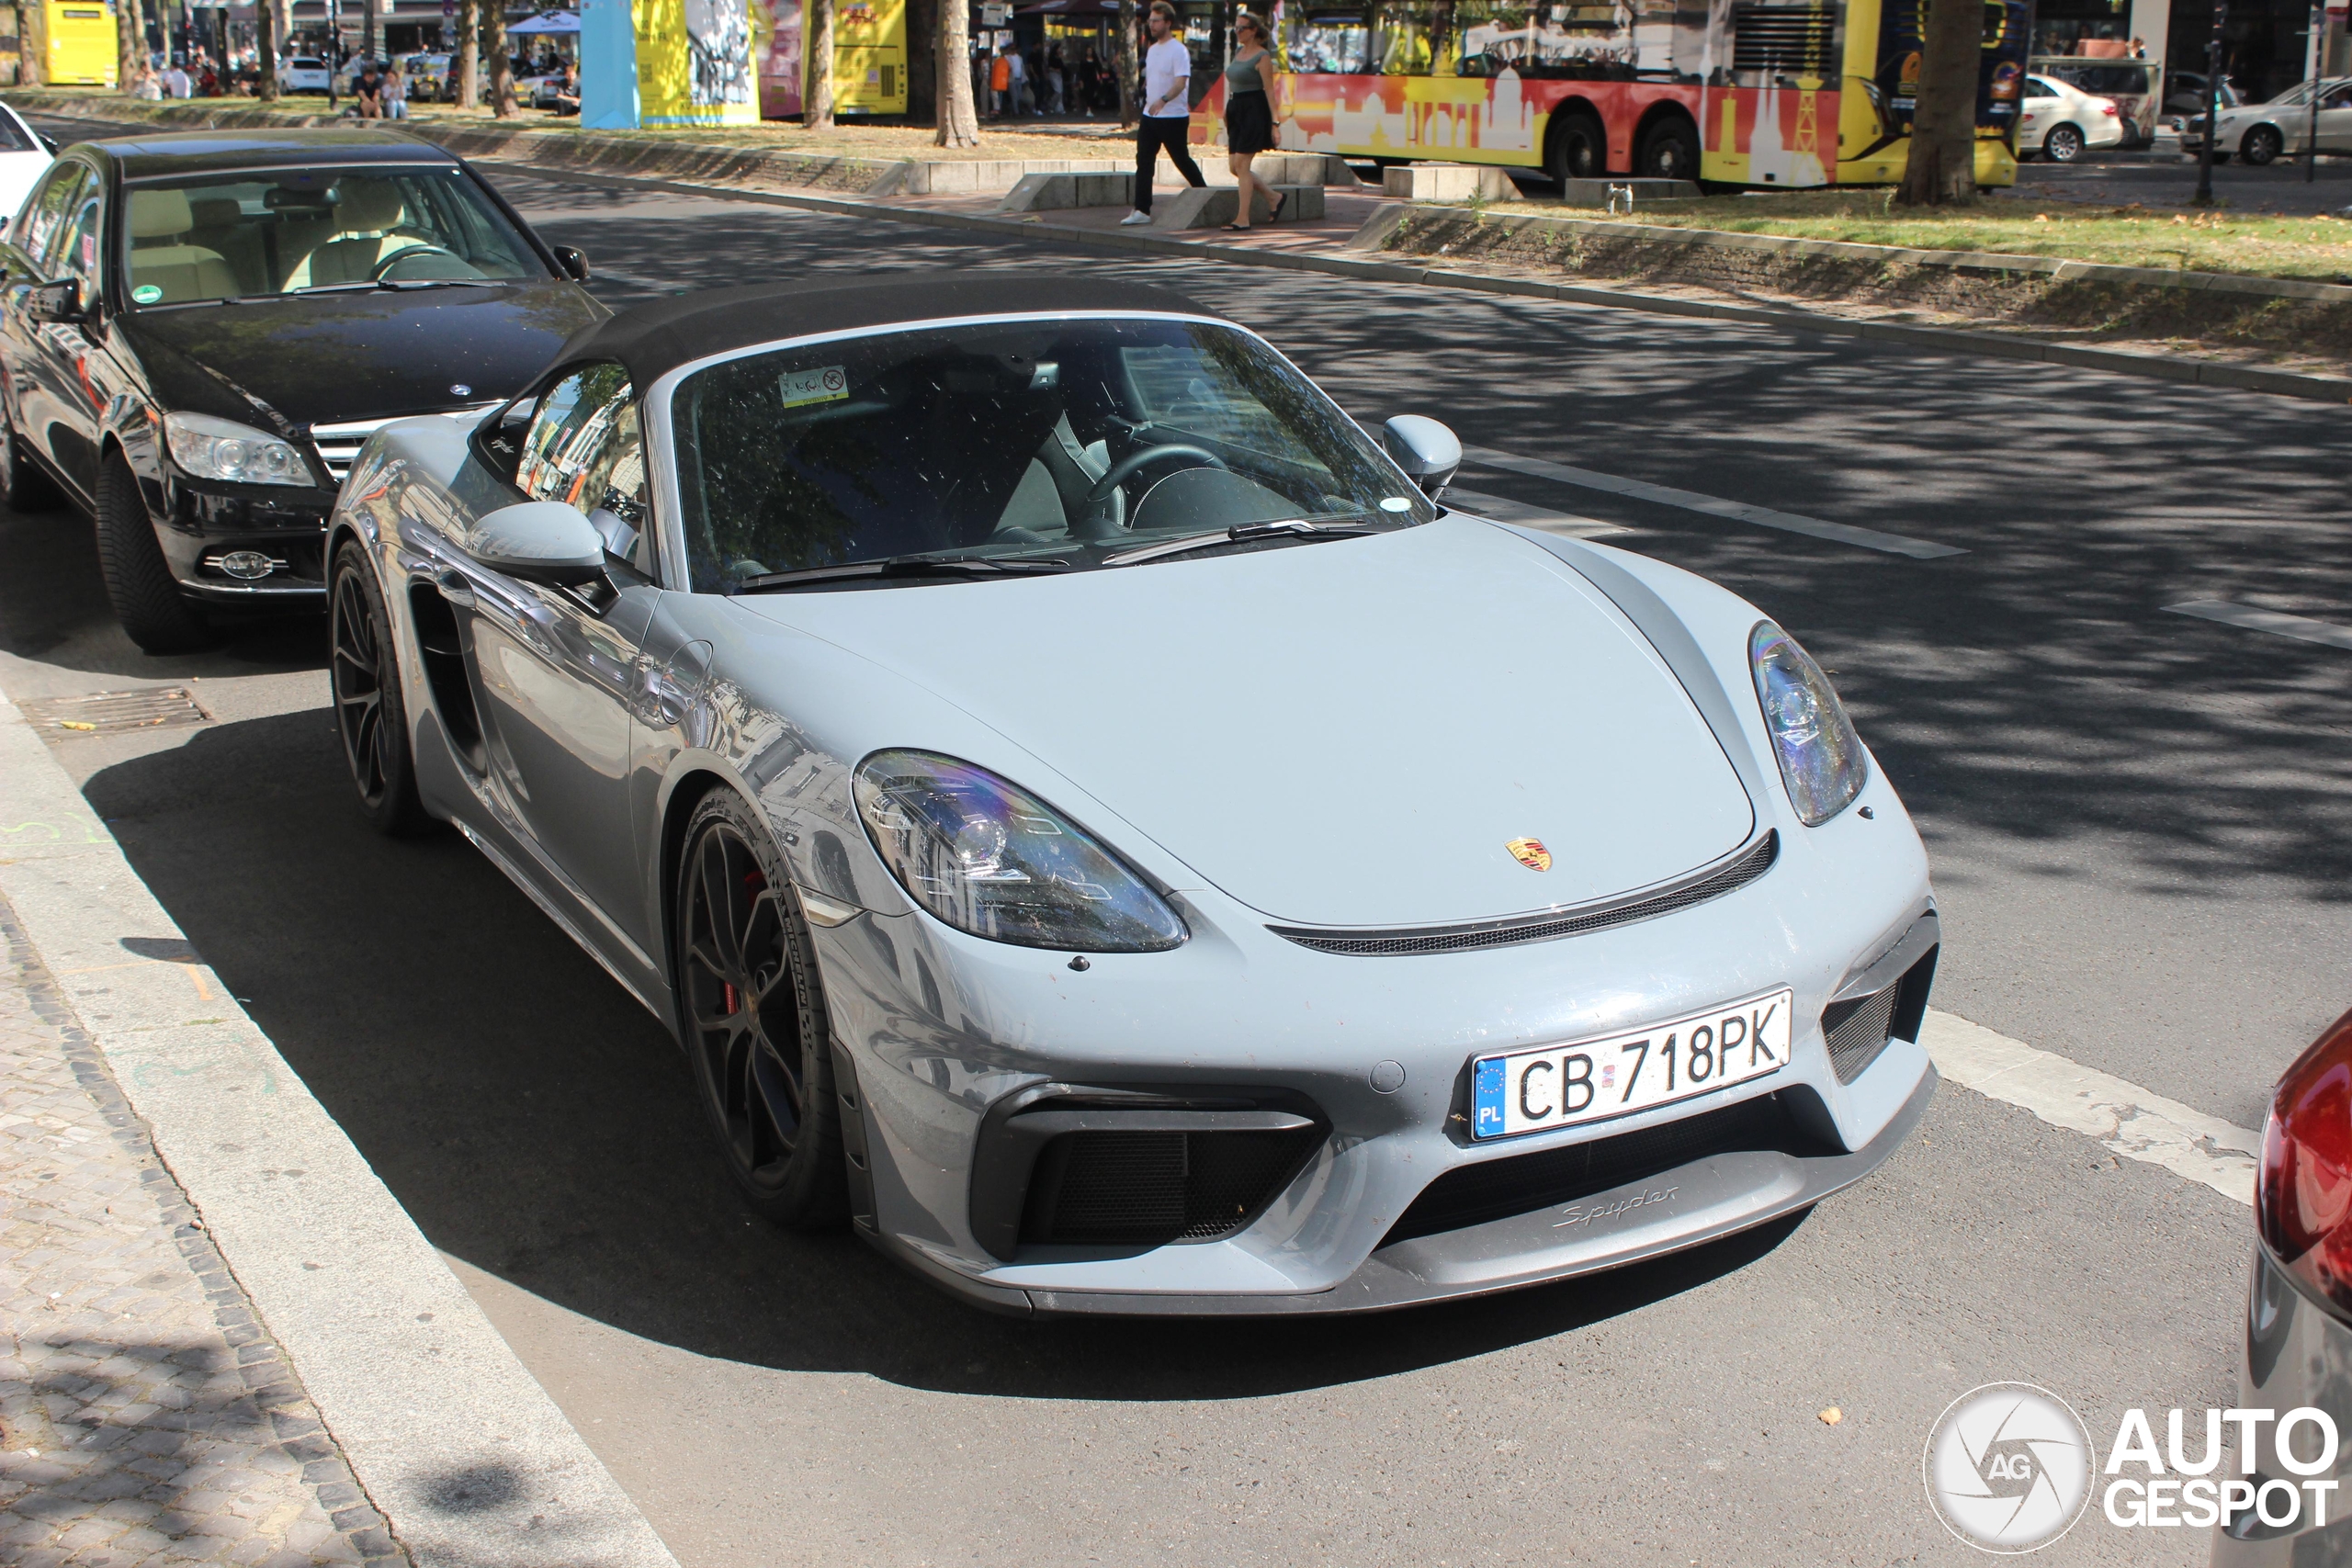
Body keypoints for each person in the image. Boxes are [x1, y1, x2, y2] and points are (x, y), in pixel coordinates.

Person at [1123, 1, 1205, 225]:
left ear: (1168, 23)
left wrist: (1164, 99)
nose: (1152, 25)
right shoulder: (1151, 50)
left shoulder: (1178, 50)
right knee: (1144, 161)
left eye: (1156, 21)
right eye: (1150, 21)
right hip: (1150, 117)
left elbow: (1181, 82)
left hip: (1173, 117)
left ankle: (1204, 194)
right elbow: (1154, 78)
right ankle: (1141, 210)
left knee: (1181, 159)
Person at [1220, 12, 1283, 231]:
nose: (1237, 32)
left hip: (1254, 111)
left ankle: (1242, 218)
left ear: (1254, 30)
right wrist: (1227, 110)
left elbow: (1270, 91)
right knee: (1234, 167)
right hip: (1235, 109)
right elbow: (1233, 82)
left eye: (1241, 28)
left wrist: (1275, 124)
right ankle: (1273, 197)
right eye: (1235, 28)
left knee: (1242, 165)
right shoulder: (1239, 52)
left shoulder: (1262, 56)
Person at [989, 46, 1012, 118]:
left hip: (1002, 81)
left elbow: (1009, 69)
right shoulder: (998, 60)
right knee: (998, 97)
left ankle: (1000, 111)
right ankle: (998, 111)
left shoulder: (1005, 60)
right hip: (999, 81)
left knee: (1000, 97)